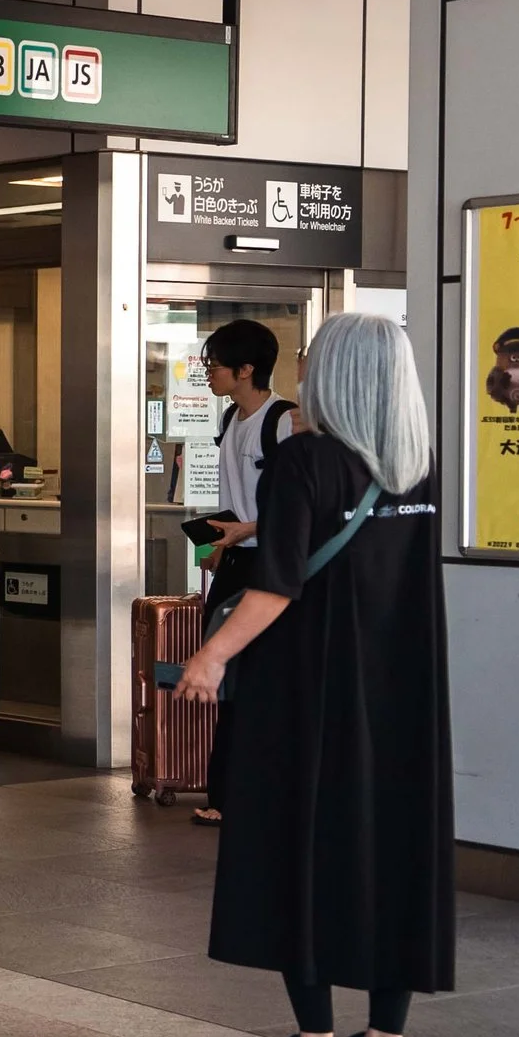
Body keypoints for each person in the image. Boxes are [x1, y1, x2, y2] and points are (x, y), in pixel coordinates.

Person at [177, 313, 451, 1037]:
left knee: (302, 846)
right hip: (403, 691)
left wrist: (210, 655)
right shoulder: (418, 469)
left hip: (310, 688)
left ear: (335, 375)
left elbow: (278, 585)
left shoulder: (303, 461)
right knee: (391, 847)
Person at [191, 320, 295, 827]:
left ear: (246, 369)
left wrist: (246, 530)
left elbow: (302, 511)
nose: (208, 374)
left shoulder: (284, 420)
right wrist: (216, 544)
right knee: (228, 683)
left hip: (268, 564)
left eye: (215, 366)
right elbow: (232, 498)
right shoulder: (231, 419)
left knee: (264, 683)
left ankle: (259, 796)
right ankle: (224, 797)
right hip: (234, 560)